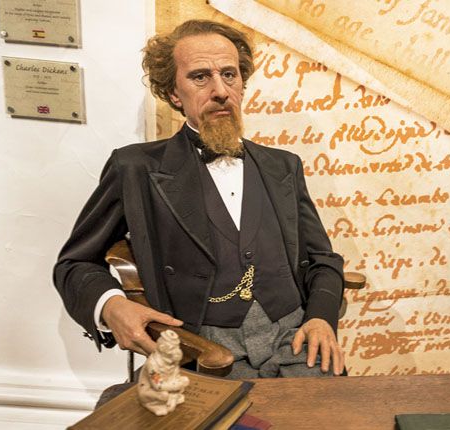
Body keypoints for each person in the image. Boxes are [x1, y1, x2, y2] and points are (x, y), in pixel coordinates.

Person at [53, 20, 345, 377]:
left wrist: (321, 317)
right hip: (201, 349)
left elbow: (323, 259)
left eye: (229, 75)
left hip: (295, 341)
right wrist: (112, 305)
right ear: (174, 93)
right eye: (200, 77)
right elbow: (75, 264)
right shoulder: (135, 168)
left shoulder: (283, 166)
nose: (220, 90)